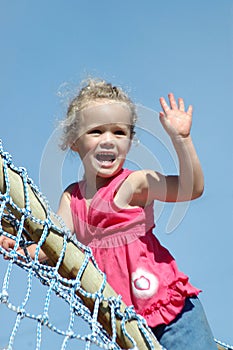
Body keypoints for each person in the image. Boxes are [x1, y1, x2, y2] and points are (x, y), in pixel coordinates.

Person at [0, 79, 217, 349]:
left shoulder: (134, 184)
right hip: (125, 326)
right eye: (96, 131)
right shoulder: (72, 198)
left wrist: (181, 139)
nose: (108, 141)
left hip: (173, 312)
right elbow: (54, 244)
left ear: (130, 141)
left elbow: (191, 188)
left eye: (119, 132)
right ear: (73, 141)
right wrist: (19, 251)